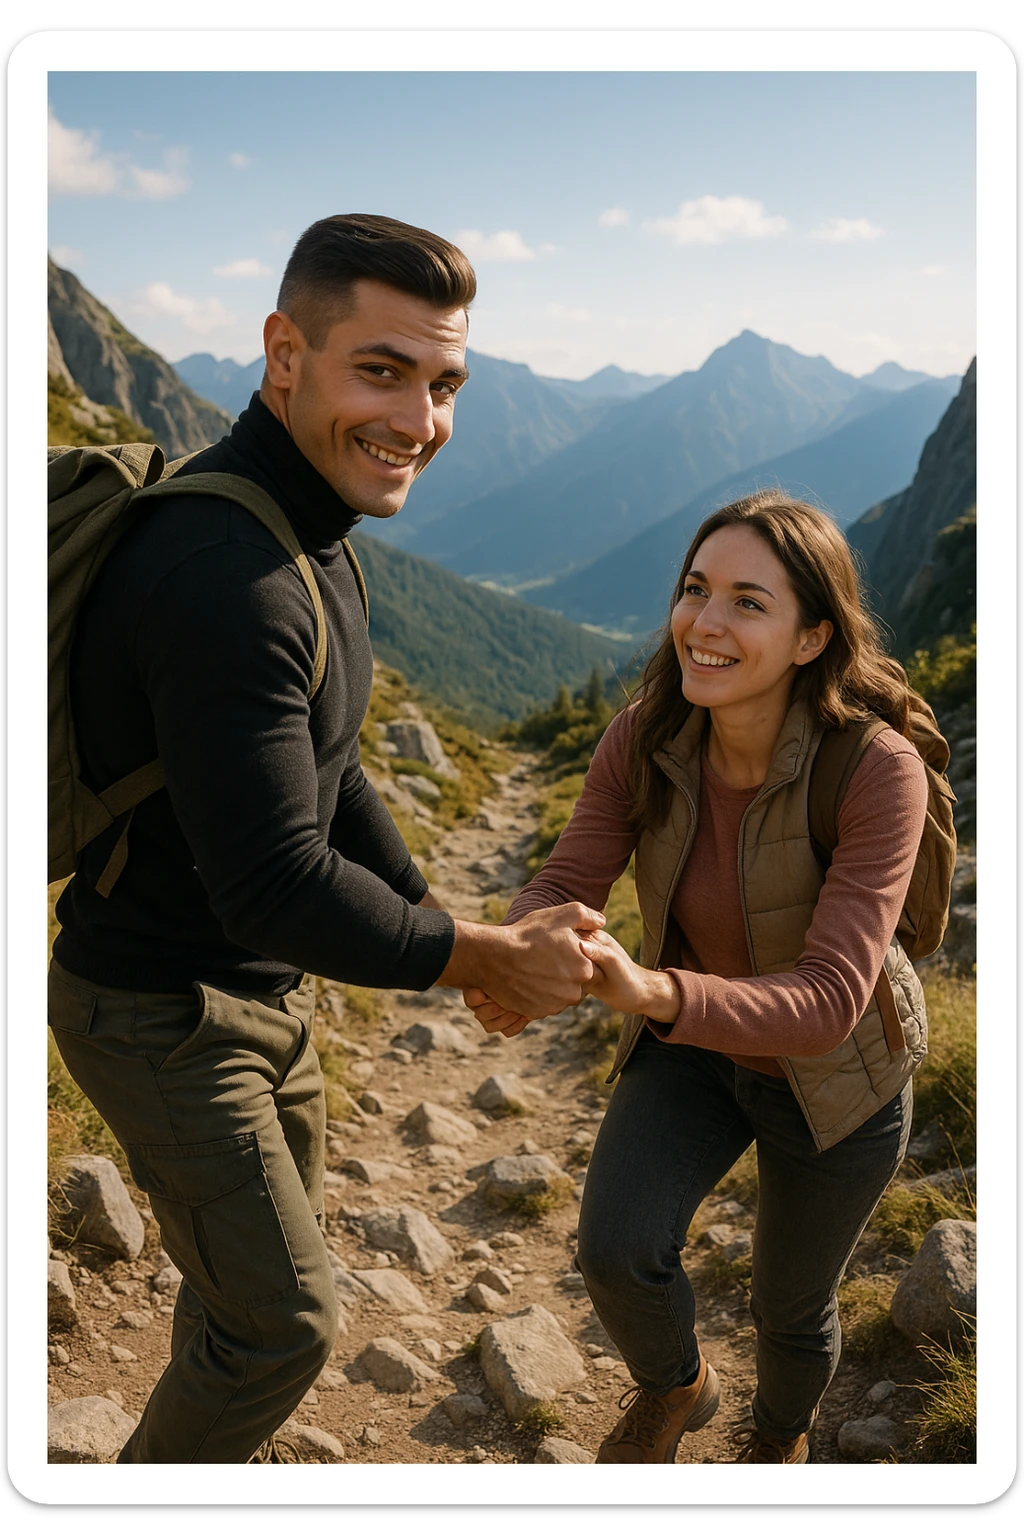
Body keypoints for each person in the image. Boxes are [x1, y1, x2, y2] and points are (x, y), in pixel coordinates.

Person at [47, 214, 602, 1464]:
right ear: (283, 353)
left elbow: (332, 772)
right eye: (383, 370)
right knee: (282, 1327)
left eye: (444, 382)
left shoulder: (310, 538)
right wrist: (478, 961)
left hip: (247, 1004)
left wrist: (478, 938)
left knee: (236, 1294)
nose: (420, 420)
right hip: (159, 1011)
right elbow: (274, 884)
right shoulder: (226, 576)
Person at [465, 490, 931, 1465]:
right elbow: (563, 878)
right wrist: (519, 955)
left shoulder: (876, 770)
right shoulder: (646, 737)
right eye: (693, 590)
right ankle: (679, 1388)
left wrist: (648, 993)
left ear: (810, 637)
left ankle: (777, 1441)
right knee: (614, 1251)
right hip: (691, 1051)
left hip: (835, 1079)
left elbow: (826, 1003)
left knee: (788, 1308)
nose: (704, 623)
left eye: (747, 602)